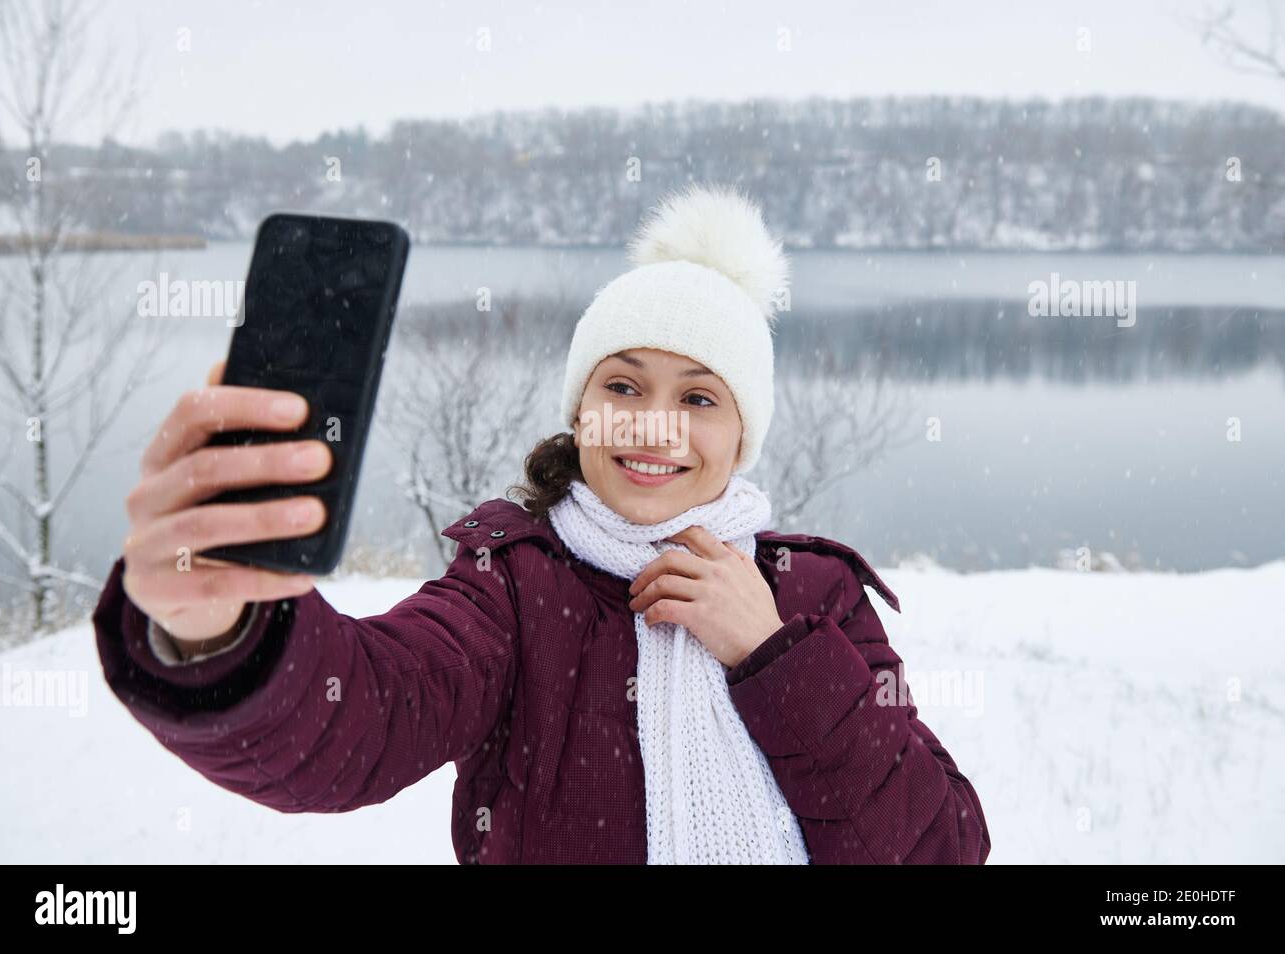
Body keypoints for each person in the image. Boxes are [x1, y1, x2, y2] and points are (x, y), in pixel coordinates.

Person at [93, 182, 991, 864]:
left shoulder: (815, 595)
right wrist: (218, 629)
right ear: (581, 408)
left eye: (700, 396)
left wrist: (772, 651)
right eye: (624, 385)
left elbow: (942, 842)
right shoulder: (517, 584)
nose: (652, 424)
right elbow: (363, 719)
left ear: (743, 431)